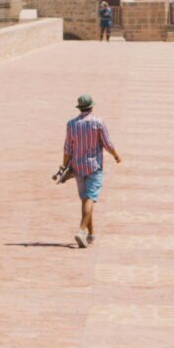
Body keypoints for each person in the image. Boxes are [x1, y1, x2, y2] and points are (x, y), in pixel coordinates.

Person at [55, 92, 121, 246]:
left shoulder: (71, 124)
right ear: (91, 107)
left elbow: (67, 148)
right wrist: (116, 156)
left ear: (79, 108)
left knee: (85, 200)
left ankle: (90, 235)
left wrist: (64, 167)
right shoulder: (98, 122)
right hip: (94, 166)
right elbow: (107, 144)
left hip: (77, 167)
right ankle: (81, 230)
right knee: (90, 198)